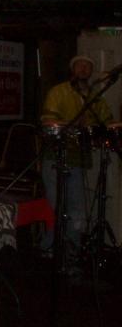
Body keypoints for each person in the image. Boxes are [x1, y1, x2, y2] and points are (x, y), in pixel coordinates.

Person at [40, 54, 113, 259]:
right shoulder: (58, 92)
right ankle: (49, 248)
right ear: (72, 69)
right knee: (56, 207)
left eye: (87, 66)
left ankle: (71, 250)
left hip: (79, 160)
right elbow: (48, 120)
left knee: (77, 209)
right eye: (80, 65)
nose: (83, 69)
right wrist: (74, 126)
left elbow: (108, 122)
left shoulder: (95, 97)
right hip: (55, 158)